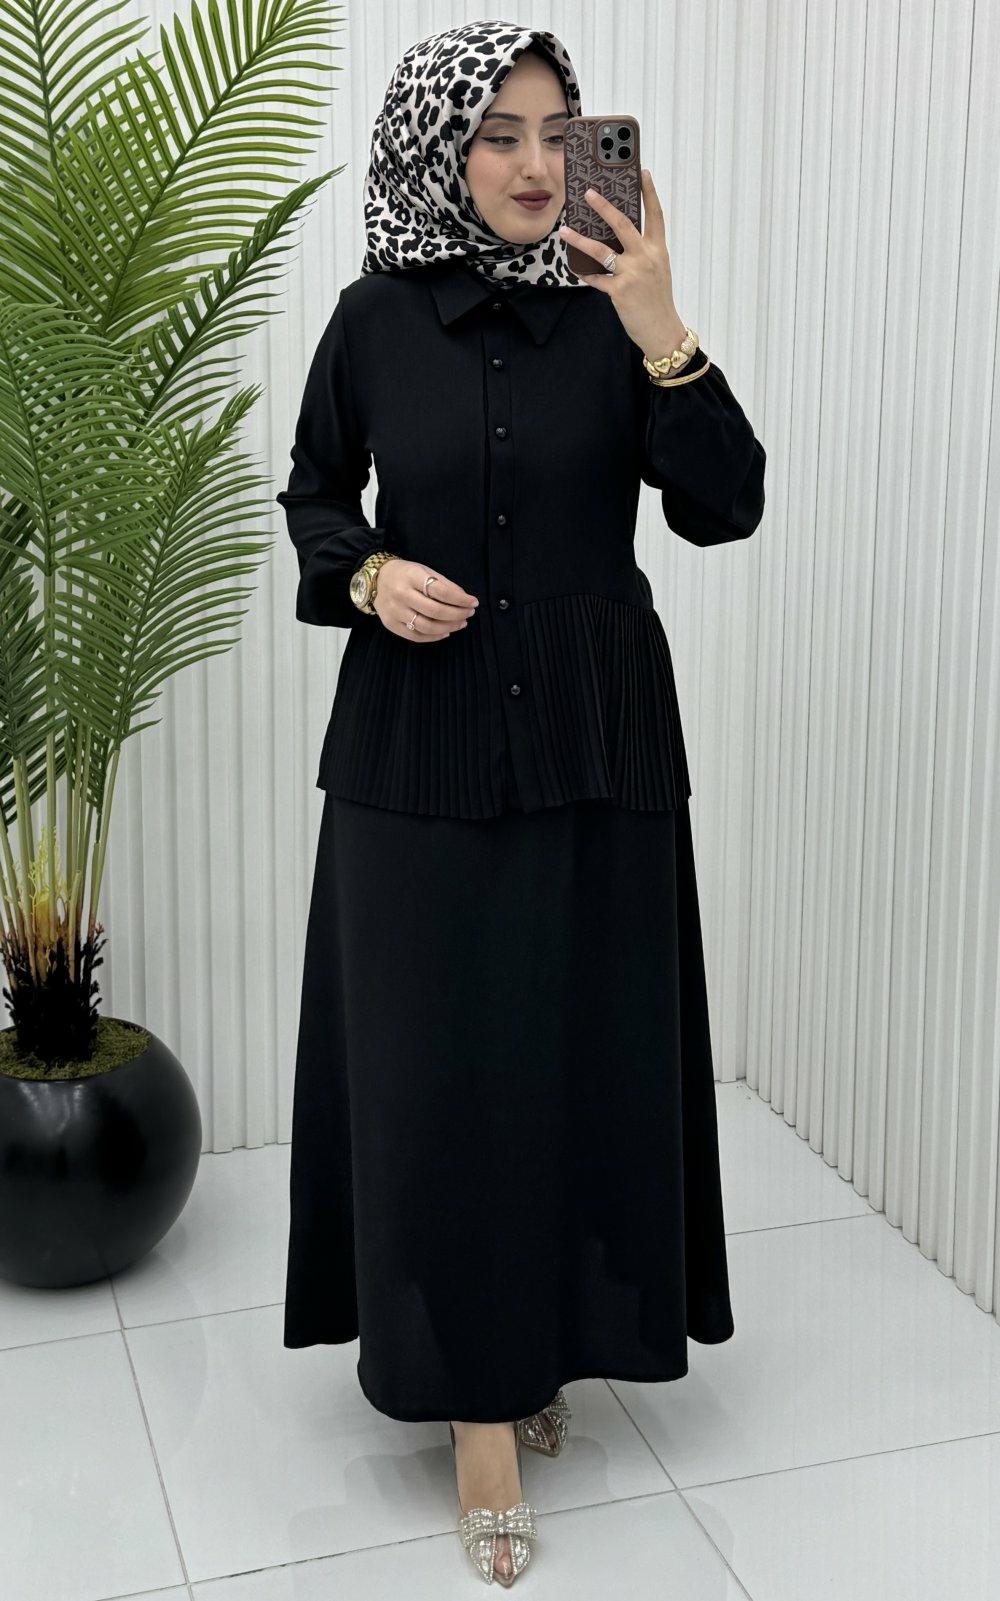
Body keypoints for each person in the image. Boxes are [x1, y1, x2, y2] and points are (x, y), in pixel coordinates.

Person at [276, 20, 765, 1589]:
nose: (537, 163)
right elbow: (312, 495)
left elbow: (726, 505)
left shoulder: (618, 315)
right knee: (437, 1070)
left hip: (593, 735)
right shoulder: (371, 320)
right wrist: (366, 575)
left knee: (572, 1055)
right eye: (498, 133)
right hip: (415, 744)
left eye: (560, 132)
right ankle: (475, 1405)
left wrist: (664, 329)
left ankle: (536, 1341)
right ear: (440, 149)